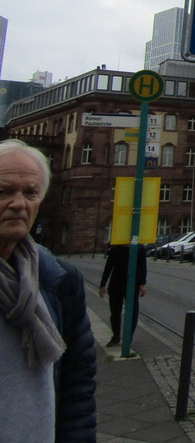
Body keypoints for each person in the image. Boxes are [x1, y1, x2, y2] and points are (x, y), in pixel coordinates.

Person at [0, 139, 96, 442]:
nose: (19, 203)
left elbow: (77, 383)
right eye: (3, 191)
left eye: (30, 193)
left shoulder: (59, 279)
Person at [99, 242, 148, 346]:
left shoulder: (139, 248)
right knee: (115, 312)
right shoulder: (116, 248)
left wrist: (143, 283)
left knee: (133, 312)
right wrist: (103, 284)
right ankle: (116, 336)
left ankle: (128, 337)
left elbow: (143, 267)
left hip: (133, 284)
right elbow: (108, 266)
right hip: (116, 284)